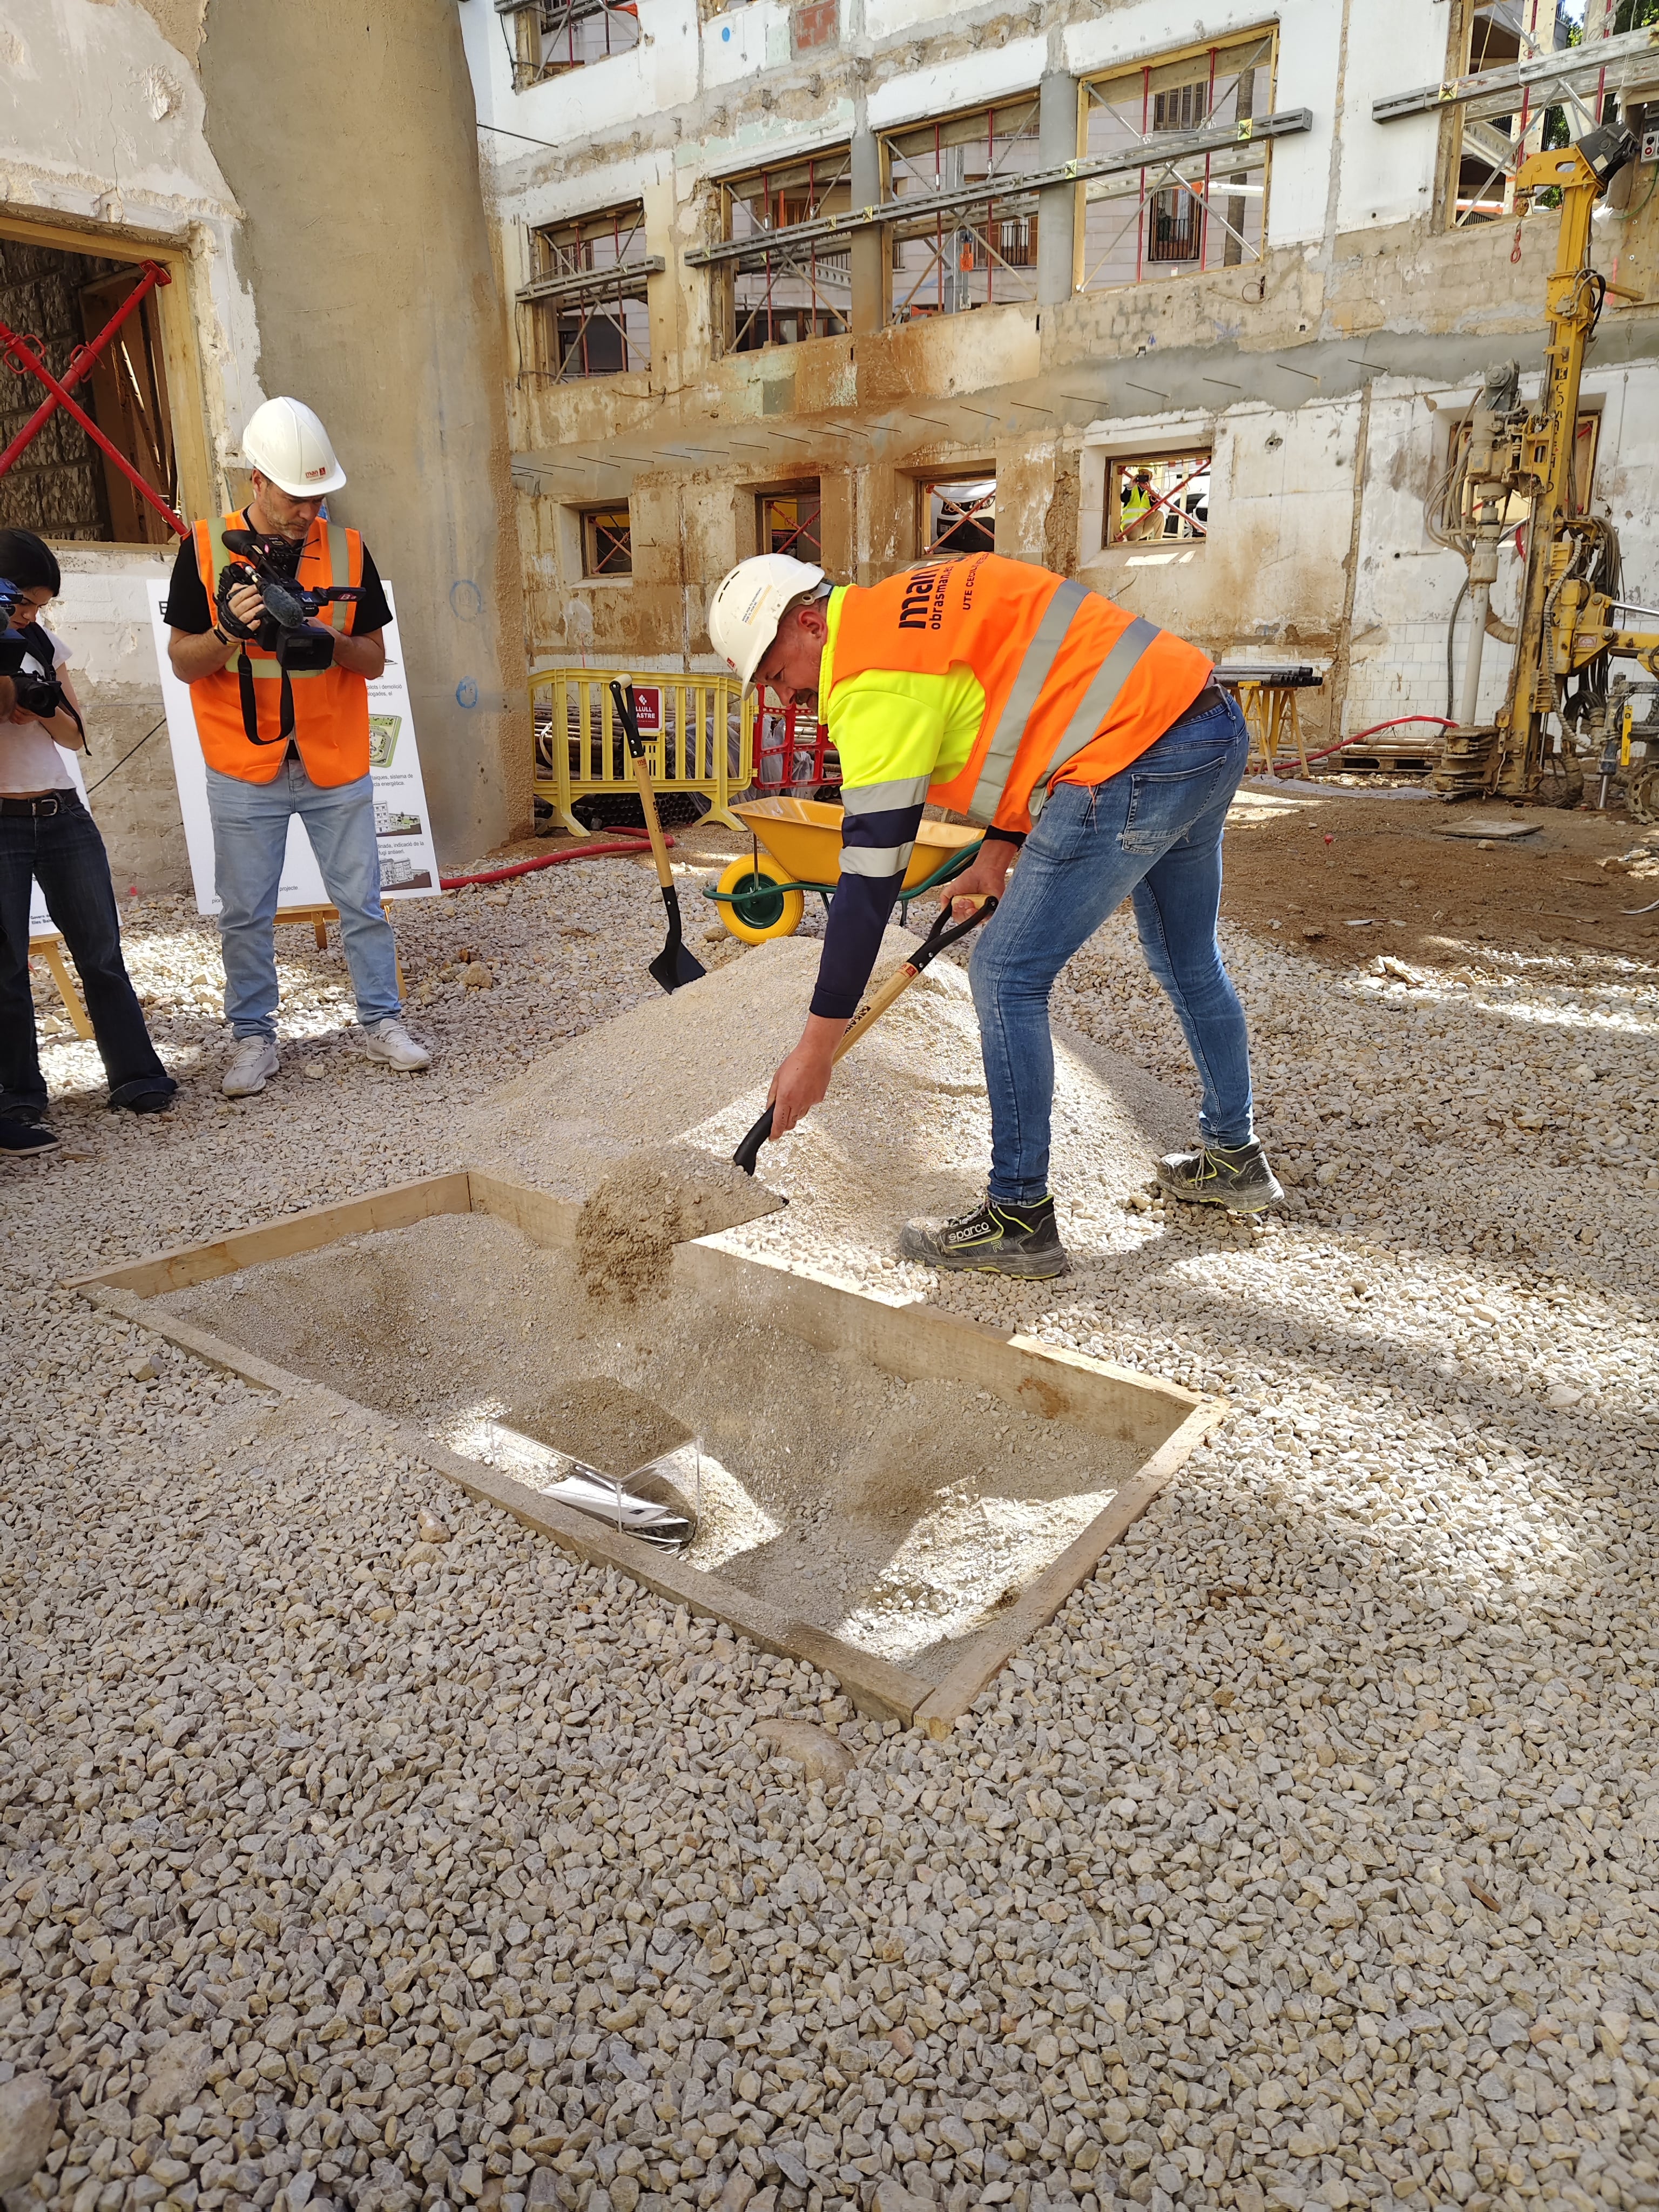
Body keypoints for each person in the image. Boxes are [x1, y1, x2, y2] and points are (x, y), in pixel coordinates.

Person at [707, 550, 1283, 1280]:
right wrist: (996, 852)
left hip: (1134, 756)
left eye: (772, 672)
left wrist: (815, 1049)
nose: (782, 696)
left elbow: (869, 881)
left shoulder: (872, 683)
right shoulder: (910, 601)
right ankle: (1234, 1155)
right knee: (1184, 954)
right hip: (1204, 723)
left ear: (811, 624)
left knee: (1006, 975)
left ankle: (1018, 1217)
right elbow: (1036, 709)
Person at [164, 395, 429, 1097]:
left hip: (332, 760)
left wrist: (329, 638)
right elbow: (184, 662)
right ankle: (254, 1038)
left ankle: (383, 1022)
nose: (307, 511)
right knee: (245, 913)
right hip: (242, 764)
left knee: (362, 904)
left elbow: (373, 659)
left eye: (317, 497)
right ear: (257, 480)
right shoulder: (204, 547)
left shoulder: (348, 550)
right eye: (294, 497)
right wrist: (228, 633)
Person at [0, 529, 177, 1134]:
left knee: (101, 952)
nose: (29, 616)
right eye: (23, 603)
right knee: (7, 964)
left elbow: (77, 736)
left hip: (61, 813)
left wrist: (38, 706)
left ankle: (137, 1075)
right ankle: (18, 1092)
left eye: (39, 607)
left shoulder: (42, 642)